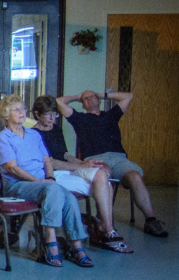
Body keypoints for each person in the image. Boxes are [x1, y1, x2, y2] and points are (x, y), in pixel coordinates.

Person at [0, 95, 93, 268]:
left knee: (67, 196)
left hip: (41, 183)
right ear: (5, 114)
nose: (22, 112)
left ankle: (77, 247)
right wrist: (40, 181)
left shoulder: (33, 134)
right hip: (17, 186)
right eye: (16, 110)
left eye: (23, 109)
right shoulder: (3, 138)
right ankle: (50, 240)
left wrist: (50, 178)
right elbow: (13, 169)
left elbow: (47, 161)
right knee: (53, 190)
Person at [57, 90, 167, 238]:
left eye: (93, 97)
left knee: (134, 176)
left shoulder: (110, 115)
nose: (90, 99)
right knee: (103, 174)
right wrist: (79, 97)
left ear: (100, 100)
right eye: (86, 99)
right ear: (82, 105)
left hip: (119, 158)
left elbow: (128, 96)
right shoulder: (79, 118)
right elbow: (59, 101)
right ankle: (103, 221)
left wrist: (101, 95)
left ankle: (151, 220)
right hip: (96, 158)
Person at [31, 96, 129, 252]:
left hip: (67, 169)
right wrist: (81, 165)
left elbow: (64, 155)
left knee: (102, 174)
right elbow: (51, 163)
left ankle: (104, 225)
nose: (52, 118)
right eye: (48, 114)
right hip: (52, 175)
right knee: (105, 185)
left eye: (54, 114)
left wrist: (85, 164)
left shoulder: (56, 129)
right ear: (37, 114)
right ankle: (108, 230)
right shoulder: (33, 134)